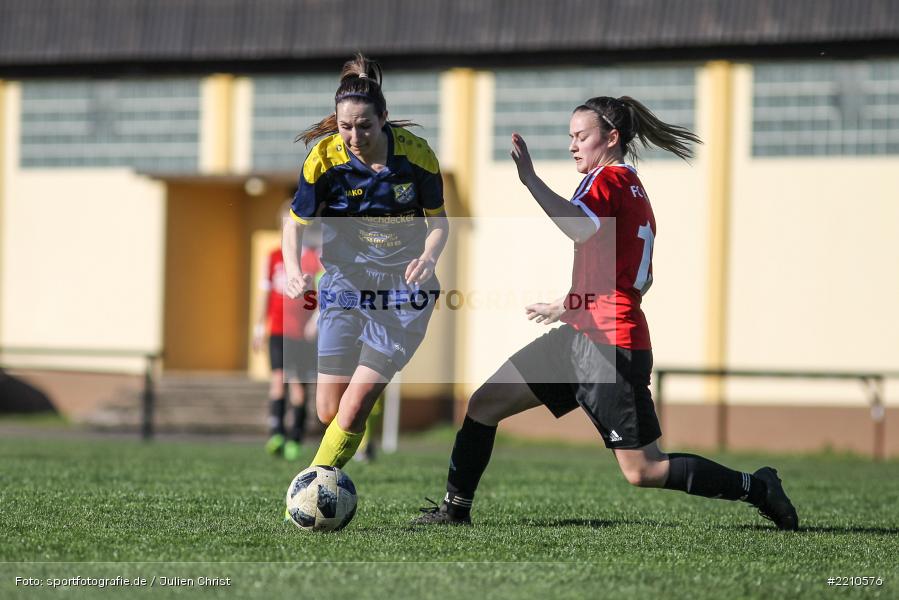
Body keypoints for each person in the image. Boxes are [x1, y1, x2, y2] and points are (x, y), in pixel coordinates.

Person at [413, 96, 799, 531]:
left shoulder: (609, 180)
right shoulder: (627, 186)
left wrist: (531, 180)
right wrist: (570, 303)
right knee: (485, 403)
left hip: (609, 346)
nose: (573, 146)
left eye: (581, 136)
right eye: (571, 137)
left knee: (644, 470)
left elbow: (580, 228)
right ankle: (454, 511)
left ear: (612, 138)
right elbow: (634, 278)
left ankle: (759, 487)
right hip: (580, 336)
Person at [282, 53, 448, 470]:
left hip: (403, 292)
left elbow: (440, 223)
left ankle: (313, 482)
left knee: (353, 406)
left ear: (384, 118)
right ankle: (339, 454)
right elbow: (294, 225)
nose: (354, 137)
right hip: (345, 284)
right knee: (328, 410)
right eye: (345, 127)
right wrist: (293, 272)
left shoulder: (417, 156)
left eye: (364, 126)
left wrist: (429, 256)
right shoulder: (324, 159)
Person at [253, 202, 322, 461]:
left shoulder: (313, 258)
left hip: (302, 333)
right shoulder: (272, 256)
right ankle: (276, 434)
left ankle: (295, 437)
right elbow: (264, 294)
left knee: (297, 386)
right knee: (277, 380)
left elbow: (323, 293)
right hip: (278, 329)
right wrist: (259, 326)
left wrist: (315, 320)